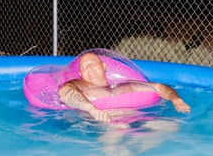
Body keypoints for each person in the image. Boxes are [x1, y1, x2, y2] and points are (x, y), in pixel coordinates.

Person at [58, 51, 191, 123]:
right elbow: (65, 92)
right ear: (80, 74)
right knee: (120, 129)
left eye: (93, 63)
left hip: (135, 116)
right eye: (84, 67)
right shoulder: (80, 86)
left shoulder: (123, 85)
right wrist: (91, 109)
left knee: (169, 126)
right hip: (104, 120)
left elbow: (159, 87)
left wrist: (176, 99)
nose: (90, 69)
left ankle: (139, 148)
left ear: (104, 67)